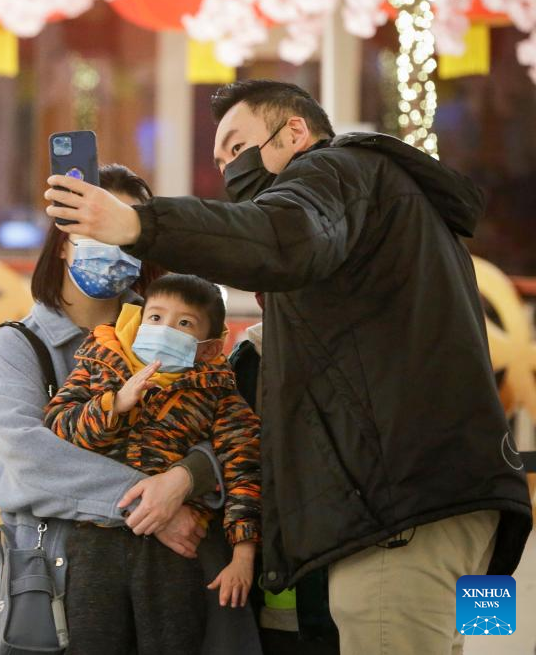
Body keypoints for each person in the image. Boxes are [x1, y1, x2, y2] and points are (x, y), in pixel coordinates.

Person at [43, 80, 533, 655]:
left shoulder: (336, 172)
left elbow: (281, 237)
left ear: (295, 131)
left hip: (400, 515)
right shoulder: (395, 212)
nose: (230, 168)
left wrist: (138, 225)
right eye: (220, 160)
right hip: (456, 504)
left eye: (237, 146)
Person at [0, 163, 262, 655]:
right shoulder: (20, 344)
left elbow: (226, 426)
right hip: (68, 575)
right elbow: (30, 460)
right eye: (96, 228)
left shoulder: (178, 331)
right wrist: (150, 504)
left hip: (181, 572)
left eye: (123, 229)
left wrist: (186, 478)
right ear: (64, 239)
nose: (111, 243)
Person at [44, 273, 261, 654]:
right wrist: (114, 405)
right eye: (156, 317)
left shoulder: (219, 393)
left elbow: (244, 469)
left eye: (184, 323)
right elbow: (58, 428)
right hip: (96, 541)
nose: (165, 329)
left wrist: (243, 555)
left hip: (175, 552)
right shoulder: (99, 362)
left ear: (209, 347)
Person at [230, 293, 340, 655]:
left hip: (366, 577)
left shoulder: (362, 354)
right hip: (287, 587)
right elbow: (238, 460)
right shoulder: (250, 359)